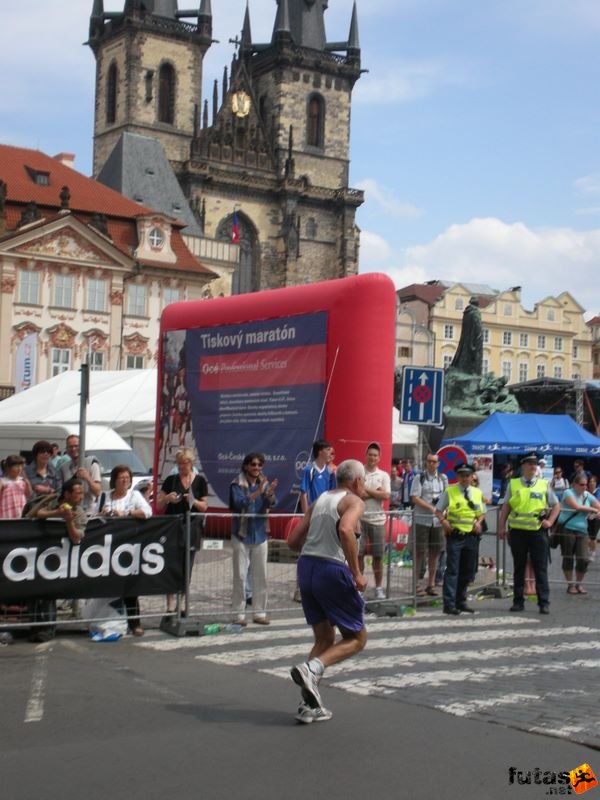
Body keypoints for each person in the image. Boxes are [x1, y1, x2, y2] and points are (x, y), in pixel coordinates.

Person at [287, 459, 368, 724]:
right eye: (364, 480)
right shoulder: (353, 501)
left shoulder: (320, 499)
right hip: (330, 569)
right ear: (356, 481)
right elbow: (346, 529)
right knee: (357, 637)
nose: (364, 485)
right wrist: (356, 572)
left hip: (306, 567)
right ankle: (312, 669)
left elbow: (292, 541)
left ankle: (308, 704)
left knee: (323, 639)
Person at [498, 452, 560, 615]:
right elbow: (506, 506)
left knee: (540, 568)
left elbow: (556, 505)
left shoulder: (543, 484)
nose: (533, 467)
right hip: (517, 532)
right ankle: (518, 601)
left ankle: (543, 602)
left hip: (537, 532)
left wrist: (550, 521)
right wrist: (501, 526)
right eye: (530, 464)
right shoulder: (513, 484)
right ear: (523, 466)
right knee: (519, 567)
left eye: (535, 464)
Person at [95, 465, 152, 636]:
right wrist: (103, 514)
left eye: (127, 477)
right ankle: (105, 621)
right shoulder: (104, 496)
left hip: (127, 547)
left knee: (129, 585)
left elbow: (147, 512)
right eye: (121, 477)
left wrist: (126, 513)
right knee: (105, 586)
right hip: (106, 548)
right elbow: (92, 516)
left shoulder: (134, 495)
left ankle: (135, 623)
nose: (125, 480)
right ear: (114, 479)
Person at [28, 477, 87, 642]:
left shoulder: (79, 512)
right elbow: (35, 514)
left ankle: (49, 629)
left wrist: (68, 520)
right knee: (32, 592)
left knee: (49, 592)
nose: (80, 497)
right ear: (67, 494)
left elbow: (77, 538)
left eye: (82, 493)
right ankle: (33, 628)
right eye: (77, 493)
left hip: (58, 557)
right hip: (35, 553)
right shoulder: (51, 500)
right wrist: (57, 513)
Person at [156, 448, 208, 614]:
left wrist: (193, 501)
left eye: (183, 464)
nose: (181, 467)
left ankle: (183, 601)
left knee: (188, 564)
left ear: (190, 464)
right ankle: (170, 602)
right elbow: (158, 504)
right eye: (178, 464)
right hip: (173, 526)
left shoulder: (200, 481)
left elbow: (204, 506)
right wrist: (167, 499)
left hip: (192, 526)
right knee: (171, 563)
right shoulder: (171, 480)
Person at [229, 452, 277, 626]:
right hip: (241, 534)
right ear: (246, 466)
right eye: (253, 465)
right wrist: (258, 492)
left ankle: (259, 613)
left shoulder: (264, 482)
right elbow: (238, 503)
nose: (257, 468)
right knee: (240, 576)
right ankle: (238, 615)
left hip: (260, 533)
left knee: (261, 576)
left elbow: (271, 504)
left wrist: (269, 494)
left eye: (259, 465)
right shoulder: (236, 483)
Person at [435, 463, 485, 615]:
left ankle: (461, 601)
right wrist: (444, 522)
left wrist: (479, 522)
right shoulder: (450, 491)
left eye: (467, 475)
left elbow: (481, 513)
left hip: (471, 537)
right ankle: (449, 604)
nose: (465, 478)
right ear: (458, 477)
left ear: (472, 477)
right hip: (455, 536)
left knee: (468, 571)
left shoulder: (477, 493)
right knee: (452, 571)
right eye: (462, 475)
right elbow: (438, 511)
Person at [411, 452, 448, 597]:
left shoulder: (442, 478)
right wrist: (431, 507)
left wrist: (445, 510)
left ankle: (431, 584)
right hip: (422, 520)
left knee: (435, 552)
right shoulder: (418, 478)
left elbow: (446, 496)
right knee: (419, 552)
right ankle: (416, 585)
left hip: (437, 521)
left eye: (434, 462)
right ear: (426, 462)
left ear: (438, 463)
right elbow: (414, 498)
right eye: (429, 461)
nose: (432, 464)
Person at [557, 473, 600, 595]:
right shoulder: (568, 493)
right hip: (567, 529)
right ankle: (570, 585)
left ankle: (578, 584)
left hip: (582, 530)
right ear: (574, 484)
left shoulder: (587, 495)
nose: (585, 487)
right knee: (568, 557)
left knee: (583, 559)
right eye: (582, 485)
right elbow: (576, 507)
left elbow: (598, 505)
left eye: (586, 485)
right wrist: (593, 510)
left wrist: (598, 511)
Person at [358, 442, 390, 600]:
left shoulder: (384, 475)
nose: (372, 457)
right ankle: (359, 587)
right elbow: (358, 493)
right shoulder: (359, 472)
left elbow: (385, 496)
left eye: (375, 455)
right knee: (359, 554)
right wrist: (375, 492)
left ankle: (378, 587)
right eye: (370, 454)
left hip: (378, 520)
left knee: (378, 556)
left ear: (379, 458)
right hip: (360, 518)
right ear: (366, 455)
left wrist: (368, 491)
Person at [60, 435, 101, 515]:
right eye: (70, 447)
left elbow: (97, 492)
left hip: (88, 513)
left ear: (82, 447)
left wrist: (87, 477)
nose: (73, 449)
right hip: (71, 513)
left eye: (76, 446)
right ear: (67, 449)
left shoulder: (92, 464)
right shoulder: (64, 468)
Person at [299, 439, 336, 513]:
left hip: (326, 513)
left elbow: (333, 493)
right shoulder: (309, 470)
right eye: (328, 450)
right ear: (320, 452)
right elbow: (303, 494)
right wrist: (306, 515)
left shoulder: (330, 472)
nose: (330, 453)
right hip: (312, 512)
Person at [587, 475, 600, 562]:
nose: (592, 483)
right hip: (586, 516)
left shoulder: (598, 492)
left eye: (594, 482)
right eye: (590, 481)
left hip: (597, 516)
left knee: (593, 536)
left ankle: (593, 551)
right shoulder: (586, 492)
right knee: (586, 536)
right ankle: (592, 548)